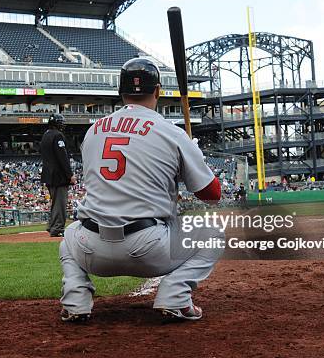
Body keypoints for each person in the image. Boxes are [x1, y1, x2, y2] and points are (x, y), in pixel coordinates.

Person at [58, 58, 222, 323]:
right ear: (157, 91)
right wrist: (194, 157)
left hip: (91, 248)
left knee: (68, 235)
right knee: (212, 234)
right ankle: (176, 297)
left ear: (120, 92)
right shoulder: (171, 133)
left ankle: (76, 300)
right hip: (148, 248)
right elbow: (211, 195)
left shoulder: (92, 131)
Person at [40, 114, 76, 237]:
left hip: (48, 174)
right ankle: (57, 228)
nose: (63, 124)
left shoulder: (45, 135)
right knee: (60, 203)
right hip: (59, 175)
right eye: (61, 122)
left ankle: (51, 226)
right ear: (56, 123)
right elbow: (62, 157)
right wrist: (70, 174)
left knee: (55, 202)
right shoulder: (58, 135)